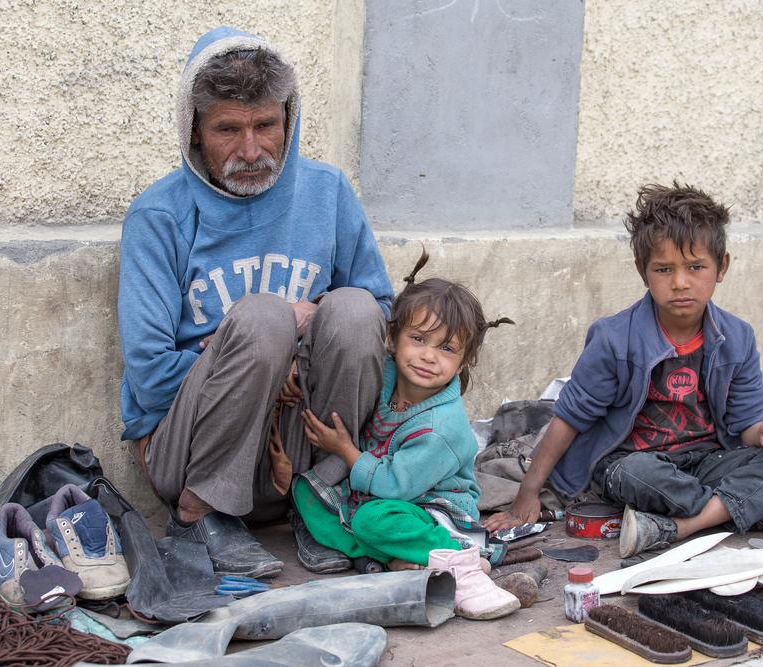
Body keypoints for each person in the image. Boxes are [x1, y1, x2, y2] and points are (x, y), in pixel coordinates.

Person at [117, 26, 394, 578]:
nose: (251, 149)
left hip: (301, 445)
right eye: (227, 129)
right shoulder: (159, 216)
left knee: (356, 308)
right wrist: (255, 346)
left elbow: (381, 309)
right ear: (194, 132)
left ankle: (322, 503)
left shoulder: (327, 192)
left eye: (266, 125)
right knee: (265, 315)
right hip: (192, 451)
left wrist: (298, 341)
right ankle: (200, 515)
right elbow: (148, 374)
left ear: (287, 121)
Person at [483, 183, 763, 558]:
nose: (680, 282)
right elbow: (568, 419)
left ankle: (682, 525)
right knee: (638, 474)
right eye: (664, 269)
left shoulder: (736, 337)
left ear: (722, 266)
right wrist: (527, 493)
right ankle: (743, 508)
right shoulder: (614, 339)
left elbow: (746, 425)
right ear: (643, 272)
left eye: (696, 267)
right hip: (631, 466)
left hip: (706, 462)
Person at [287, 251, 521, 620]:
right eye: (418, 339)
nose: (429, 356)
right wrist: (295, 369)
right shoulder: (384, 378)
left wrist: (346, 451)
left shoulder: (442, 425)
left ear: (464, 361)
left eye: (447, 348)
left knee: (373, 520)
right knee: (307, 491)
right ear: (392, 340)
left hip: (433, 511)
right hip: (379, 496)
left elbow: (396, 485)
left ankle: (462, 560)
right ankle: (392, 556)